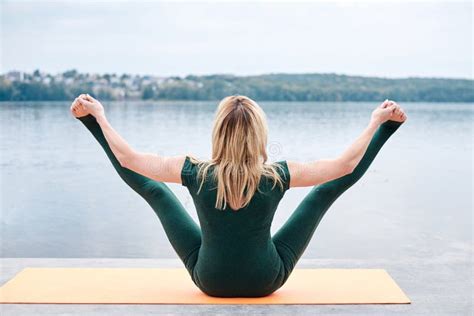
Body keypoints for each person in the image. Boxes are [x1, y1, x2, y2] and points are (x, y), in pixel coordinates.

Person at [70, 94, 407, 297]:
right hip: (265, 279)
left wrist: (96, 119)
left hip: (210, 279)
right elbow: (345, 167)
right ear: (260, 134)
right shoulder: (276, 175)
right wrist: (378, 124)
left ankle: (88, 123)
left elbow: (130, 161)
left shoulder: (194, 171)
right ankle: (390, 130)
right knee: (324, 193)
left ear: (218, 132)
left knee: (155, 191)